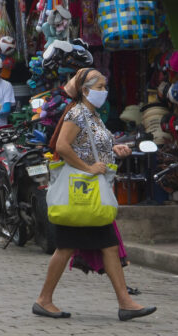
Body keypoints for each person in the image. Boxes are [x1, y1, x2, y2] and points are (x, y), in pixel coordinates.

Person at [33, 68, 157, 321]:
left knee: (107, 246)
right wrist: (88, 168)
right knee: (67, 247)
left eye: (104, 86)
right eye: (100, 87)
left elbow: (93, 146)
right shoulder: (78, 113)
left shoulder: (93, 116)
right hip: (80, 194)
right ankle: (44, 300)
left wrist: (114, 149)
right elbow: (62, 146)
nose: (104, 91)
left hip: (89, 196)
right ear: (85, 89)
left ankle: (125, 302)